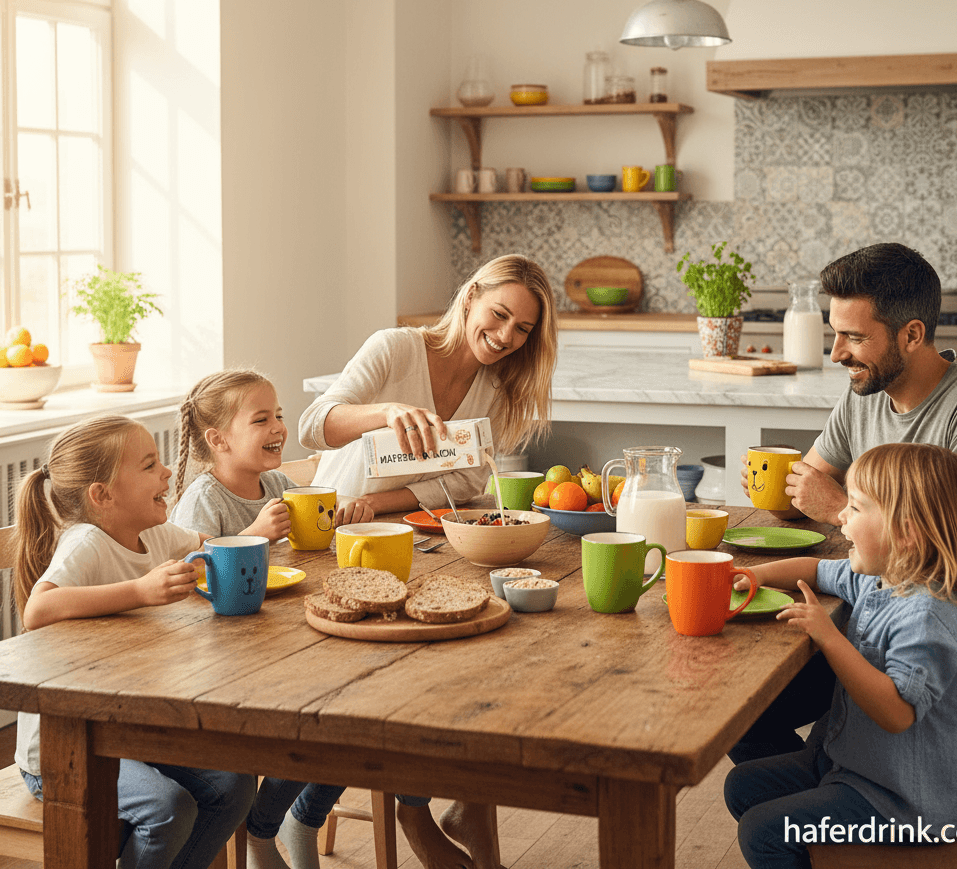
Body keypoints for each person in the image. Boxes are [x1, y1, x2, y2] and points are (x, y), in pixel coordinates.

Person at [298, 253, 558, 869]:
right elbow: (314, 424)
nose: (505, 338)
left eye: (523, 330)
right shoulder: (395, 349)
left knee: (480, 671)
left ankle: (471, 810)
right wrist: (386, 413)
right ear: (470, 296)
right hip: (341, 547)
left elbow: (467, 481)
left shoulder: (497, 386)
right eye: (499, 315)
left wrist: (383, 499)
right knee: (420, 685)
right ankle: (416, 815)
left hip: (422, 543)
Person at [732, 242, 957, 763]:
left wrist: (841, 508)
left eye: (854, 337)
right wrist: (771, 484)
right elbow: (804, 490)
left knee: (834, 736)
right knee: (740, 703)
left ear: (912, 334)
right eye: (835, 331)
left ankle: (832, 814)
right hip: (875, 628)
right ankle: (808, 814)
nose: (837, 352)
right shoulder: (866, 392)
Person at [725, 443, 957, 868]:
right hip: (856, 765)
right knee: (743, 787)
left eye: (857, 507)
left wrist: (830, 637)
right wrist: (750, 575)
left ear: (905, 532)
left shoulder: (926, 617)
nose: (841, 515)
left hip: (904, 803)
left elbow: (896, 713)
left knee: (764, 832)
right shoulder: (883, 576)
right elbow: (812, 570)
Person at [12, 414, 256, 869]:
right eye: (149, 466)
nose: (166, 473)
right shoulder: (86, 542)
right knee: (167, 808)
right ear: (102, 496)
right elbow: (37, 610)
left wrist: (248, 538)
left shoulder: (156, 533)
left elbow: (211, 547)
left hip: (126, 728)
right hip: (60, 749)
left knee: (234, 783)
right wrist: (140, 592)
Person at [170, 370, 373, 869]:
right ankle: (262, 831)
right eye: (261, 418)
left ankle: (297, 820)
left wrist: (342, 516)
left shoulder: (279, 484)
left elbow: (305, 554)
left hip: (285, 638)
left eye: (278, 414)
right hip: (224, 661)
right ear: (217, 439)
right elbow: (187, 578)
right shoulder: (204, 499)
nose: (278, 426)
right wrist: (254, 531)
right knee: (324, 723)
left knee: (357, 713)